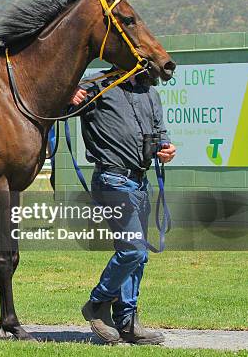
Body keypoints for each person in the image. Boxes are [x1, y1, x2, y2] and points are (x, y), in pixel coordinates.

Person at [69, 69, 176, 345]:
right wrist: (68, 96)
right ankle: (97, 303)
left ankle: (127, 321)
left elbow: (161, 136)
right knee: (133, 249)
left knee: (139, 256)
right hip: (112, 180)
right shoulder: (98, 86)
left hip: (140, 182)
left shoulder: (149, 92)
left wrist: (166, 149)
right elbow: (62, 106)